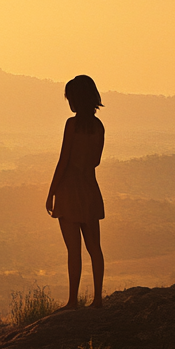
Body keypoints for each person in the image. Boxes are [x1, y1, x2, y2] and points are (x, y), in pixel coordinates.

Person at [46, 75, 105, 309]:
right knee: (95, 248)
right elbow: (97, 161)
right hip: (90, 188)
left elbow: (63, 160)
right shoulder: (98, 126)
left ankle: (73, 301)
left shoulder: (72, 124)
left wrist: (51, 192)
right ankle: (98, 299)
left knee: (74, 250)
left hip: (69, 190)